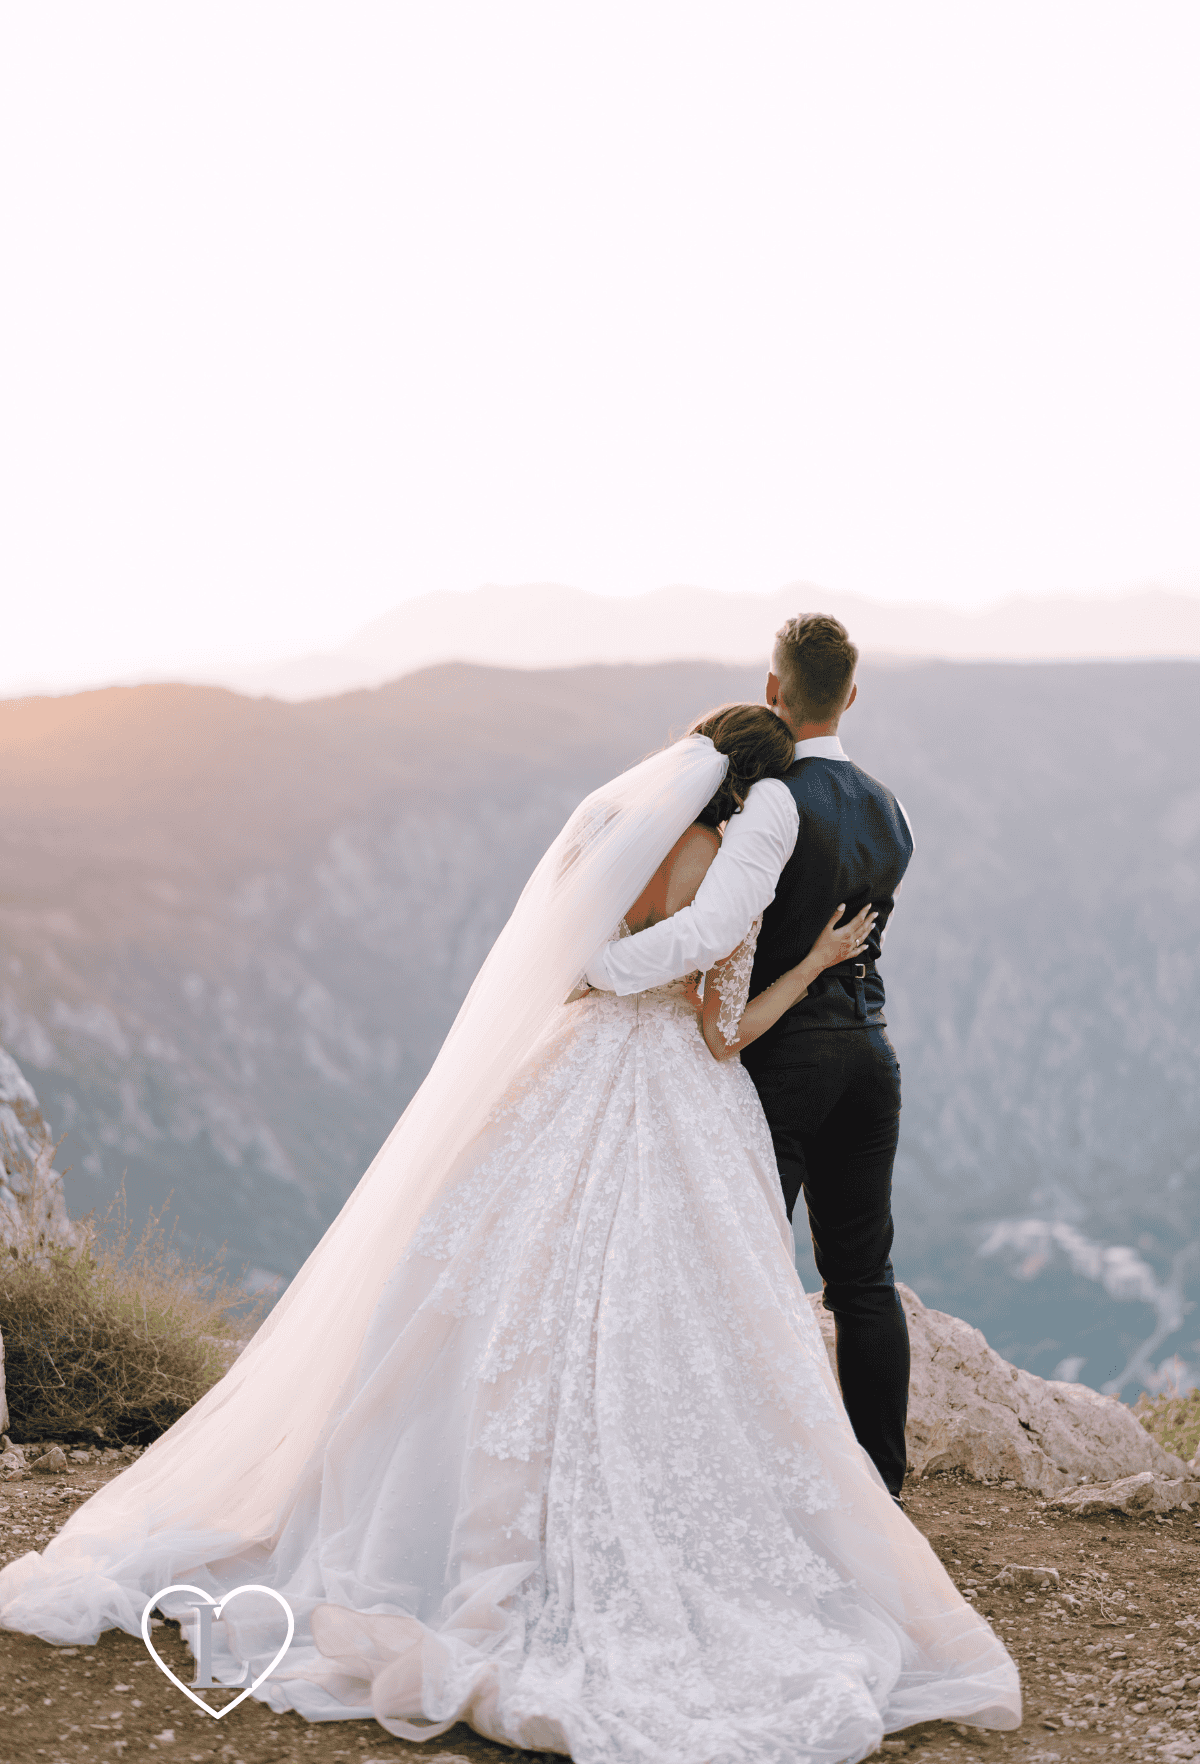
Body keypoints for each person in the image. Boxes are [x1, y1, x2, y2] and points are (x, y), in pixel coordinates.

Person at [1, 705, 1018, 1761]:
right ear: (756, 796)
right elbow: (722, 1031)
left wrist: (618, 975)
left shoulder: (604, 840)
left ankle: (440, 1515)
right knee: (680, 1316)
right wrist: (812, 967)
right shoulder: (728, 873)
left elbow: (567, 965)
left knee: (496, 1283)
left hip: (563, 1073)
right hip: (677, 1092)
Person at [586, 615, 914, 1502]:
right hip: (870, 1056)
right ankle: (881, 1484)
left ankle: (732, 1472)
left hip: (787, 1058)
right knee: (864, 1277)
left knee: (740, 1269)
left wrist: (604, 967)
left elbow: (717, 929)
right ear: (851, 695)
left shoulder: (775, 801)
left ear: (774, 689)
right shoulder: (894, 807)